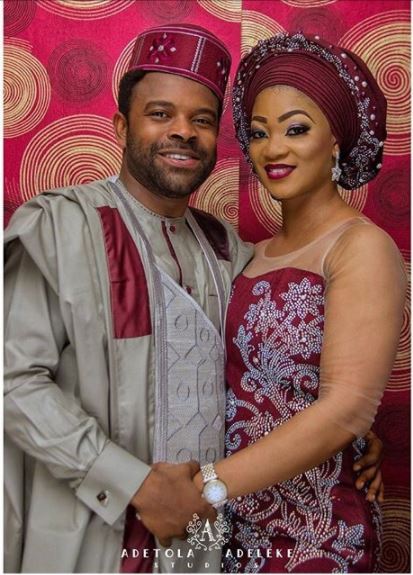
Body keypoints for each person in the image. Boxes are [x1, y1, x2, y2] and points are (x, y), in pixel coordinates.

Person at [4, 25, 385, 574]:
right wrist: (134, 483)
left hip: (204, 544)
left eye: (202, 120)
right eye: (160, 114)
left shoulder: (224, 249)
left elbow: (275, 370)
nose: (183, 131)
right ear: (121, 126)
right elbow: (11, 381)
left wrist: (350, 430)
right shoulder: (60, 227)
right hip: (89, 534)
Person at [190, 32, 407, 573]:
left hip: (316, 532)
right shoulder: (249, 253)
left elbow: (345, 409)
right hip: (233, 528)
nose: (273, 149)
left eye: (296, 129)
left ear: (336, 141)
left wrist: (204, 488)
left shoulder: (361, 247)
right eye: (259, 133)